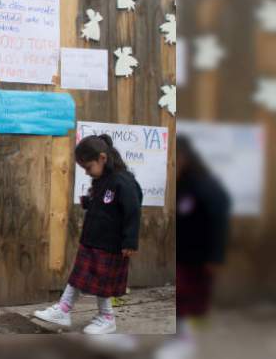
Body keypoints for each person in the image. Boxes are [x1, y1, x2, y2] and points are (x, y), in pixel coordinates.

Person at [34, 134, 142, 334]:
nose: (87, 172)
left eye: (88, 167)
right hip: (92, 241)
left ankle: (106, 318)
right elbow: (104, 205)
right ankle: (64, 310)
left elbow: (133, 211)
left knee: (103, 283)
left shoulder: (123, 181)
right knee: (78, 277)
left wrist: (130, 241)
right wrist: (89, 203)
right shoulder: (102, 179)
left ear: (102, 158)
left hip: (110, 244)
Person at [155, 135, 230, 359]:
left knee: (187, 300)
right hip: (182, 255)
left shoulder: (205, 185)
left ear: (186, 157)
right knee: (176, 298)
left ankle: (184, 341)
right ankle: (178, 338)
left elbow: (219, 221)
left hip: (198, 257)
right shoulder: (181, 183)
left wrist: (215, 256)